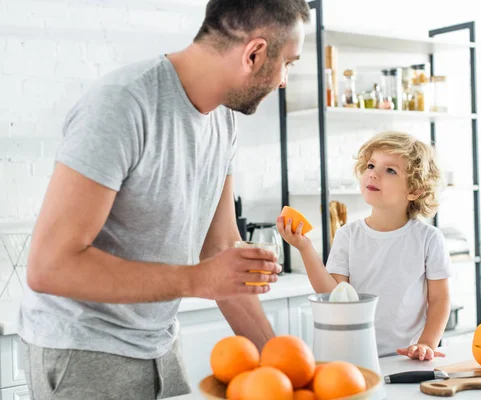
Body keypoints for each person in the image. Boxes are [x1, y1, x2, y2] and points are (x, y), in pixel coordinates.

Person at [18, 0, 310, 398]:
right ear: (254, 53)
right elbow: (50, 267)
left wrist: (287, 371)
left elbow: (219, 250)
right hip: (83, 350)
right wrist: (198, 280)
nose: (283, 81)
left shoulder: (222, 120)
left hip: (160, 344)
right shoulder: (123, 104)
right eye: (288, 64)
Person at [278, 132, 452, 360]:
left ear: (414, 190)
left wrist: (426, 343)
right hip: (352, 355)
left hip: (405, 358)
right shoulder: (348, 235)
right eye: (371, 165)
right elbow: (334, 296)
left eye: (390, 170)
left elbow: (440, 299)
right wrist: (304, 247)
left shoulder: (429, 238)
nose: (373, 174)